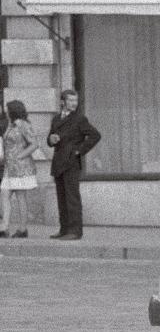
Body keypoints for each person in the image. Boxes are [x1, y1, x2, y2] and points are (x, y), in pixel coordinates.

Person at [46, 90, 101, 241]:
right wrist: (51, 139)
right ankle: (64, 229)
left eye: (75, 101)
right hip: (58, 162)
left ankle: (75, 231)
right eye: (70, 101)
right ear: (62, 102)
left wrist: (79, 151)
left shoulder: (79, 119)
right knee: (61, 197)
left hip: (71, 163)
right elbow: (49, 140)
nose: (73, 104)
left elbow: (95, 135)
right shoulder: (56, 118)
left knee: (72, 198)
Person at [0, 101, 39, 238]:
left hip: (21, 168)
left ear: (13, 110)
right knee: (4, 193)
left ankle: (23, 229)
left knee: (21, 196)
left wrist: (20, 156)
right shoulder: (10, 126)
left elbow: (34, 144)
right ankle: (4, 227)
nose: (6, 111)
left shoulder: (23, 124)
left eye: (7, 109)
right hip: (9, 168)